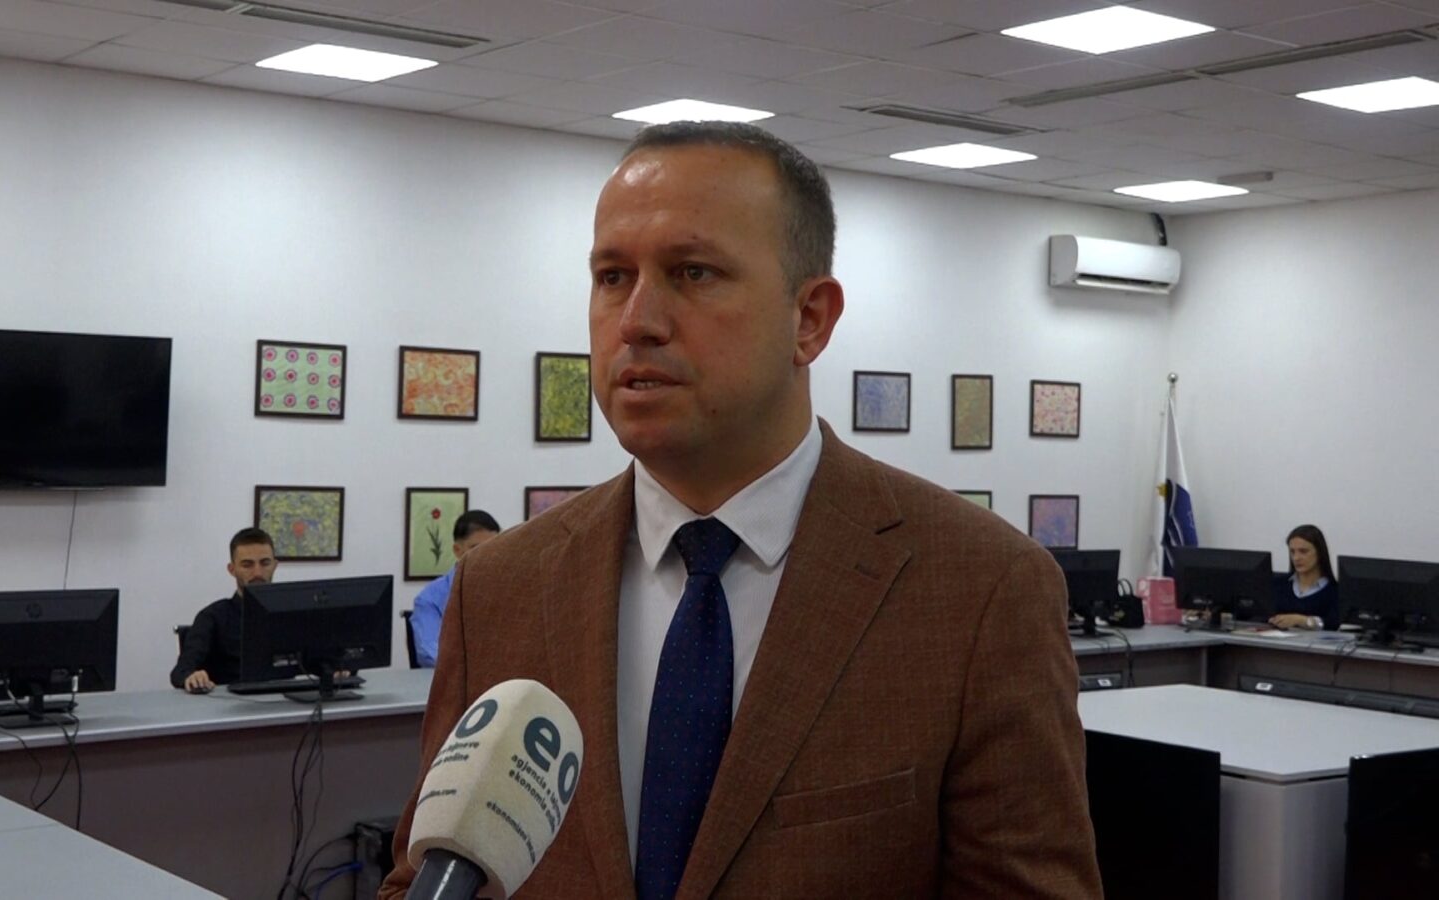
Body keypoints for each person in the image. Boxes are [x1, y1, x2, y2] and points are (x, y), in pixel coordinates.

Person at [379, 123, 1101, 899]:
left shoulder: (981, 590)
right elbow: (421, 878)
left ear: (809, 319)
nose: (637, 321)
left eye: (693, 272)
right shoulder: (499, 591)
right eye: (613, 276)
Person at [169, 527, 276, 692]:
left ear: (275, 565)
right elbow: (180, 672)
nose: (257, 572)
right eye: (247, 565)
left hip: (288, 701)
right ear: (232, 570)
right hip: (230, 702)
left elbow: (315, 662)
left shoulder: (293, 614)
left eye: (265, 563)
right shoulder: (212, 617)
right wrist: (192, 676)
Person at [408, 510, 500, 667]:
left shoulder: (508, 592)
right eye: (477, 548)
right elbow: (429, 653)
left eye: (494, 547)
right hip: (457, 677)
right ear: (458, 550)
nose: (487, 555)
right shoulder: (430, 599)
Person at [1270, 524, 1339, 630]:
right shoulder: (1278, 585)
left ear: (1320, 553)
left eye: (1303, 551)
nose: (1296, 558)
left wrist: (1302, 621)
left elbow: (1334, 623)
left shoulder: (1334, 591)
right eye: (1292, 552)